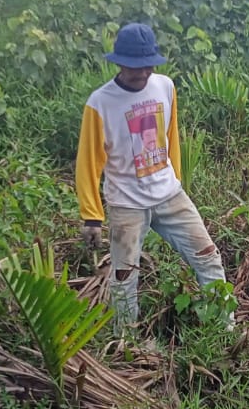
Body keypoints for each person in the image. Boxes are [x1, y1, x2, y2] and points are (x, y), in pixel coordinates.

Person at [75, 23, 233, 331]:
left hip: (169, 194)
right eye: (135, 67)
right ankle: (126, 342)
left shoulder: (165, 86)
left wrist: (175, 178)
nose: (143, 73)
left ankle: (224, 330)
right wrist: (91, 217)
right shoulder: (100, 103)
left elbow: (170, 136)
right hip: (126, 204)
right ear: (119, 62)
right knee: (124, 276)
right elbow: (88, 162)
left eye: (148, 66)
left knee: (209, 256)